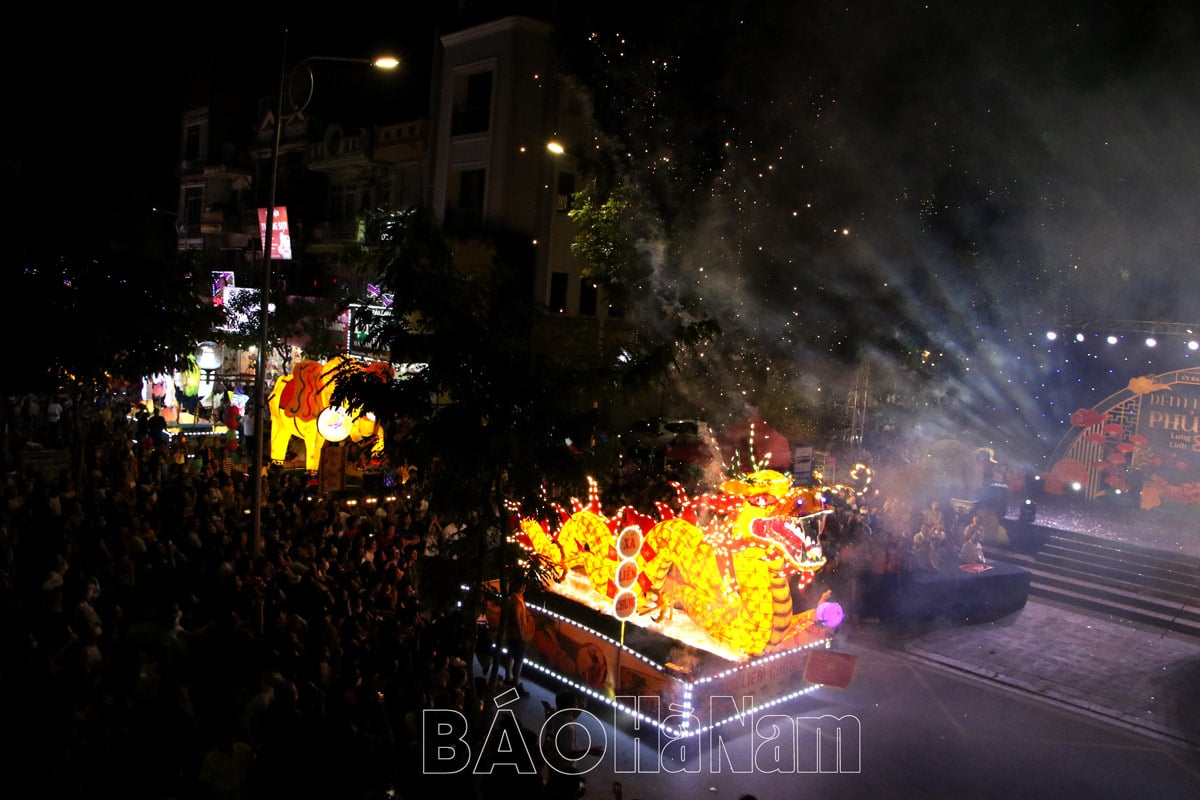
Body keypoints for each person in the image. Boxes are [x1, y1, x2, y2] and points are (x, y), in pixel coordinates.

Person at [541, 688, 603, 800]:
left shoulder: (556, 714)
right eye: (576, 703)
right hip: (563, 766)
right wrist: (589, 751)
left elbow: (573, 715)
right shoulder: (568, 729)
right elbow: (568, 754)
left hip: (552, 758)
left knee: (552, 781)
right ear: (571, 706)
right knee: (564, 788)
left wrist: (584, 701)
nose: (577, 705)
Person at [503, 577, 534, 695]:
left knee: (511, 655)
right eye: (523, 585)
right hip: (516, 635)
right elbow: (516, 619)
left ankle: (508, 678)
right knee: (519, 659)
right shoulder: (515, 602)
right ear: (520, 586)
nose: (525, 587)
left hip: (513, 634)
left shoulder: (516, 599)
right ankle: (515, 684)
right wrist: (522, 635)